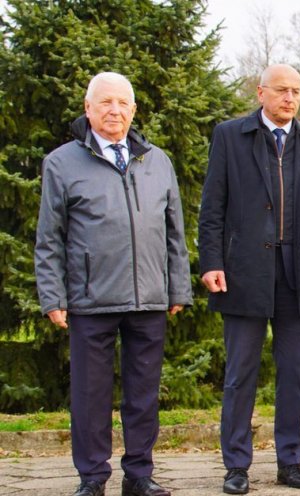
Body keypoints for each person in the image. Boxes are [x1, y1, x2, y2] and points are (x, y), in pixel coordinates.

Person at [34, 72, 192, 496]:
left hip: (148, 299)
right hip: (90, 299)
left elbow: (174, 231)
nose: (114, 110)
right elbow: (49, 237)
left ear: (134, 110)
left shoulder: (157, 161)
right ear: (88, 109)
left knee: (143, 395)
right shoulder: (62, 163)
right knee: (90, 397)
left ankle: (139, 474)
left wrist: (178, 288)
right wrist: (53, 295)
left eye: (123, 103)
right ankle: (92, 476)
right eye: (105, 102)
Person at [198, 64, 300, 493]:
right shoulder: (231, 136)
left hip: (297, 274)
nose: (290, 99)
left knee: (294, 374)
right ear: (260, 92)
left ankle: (289, 462)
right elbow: (213, 207)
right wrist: (211, 261)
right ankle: (237, 465)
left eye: (296, 91)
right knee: (240, 373)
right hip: (243, 273)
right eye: (281, 90)